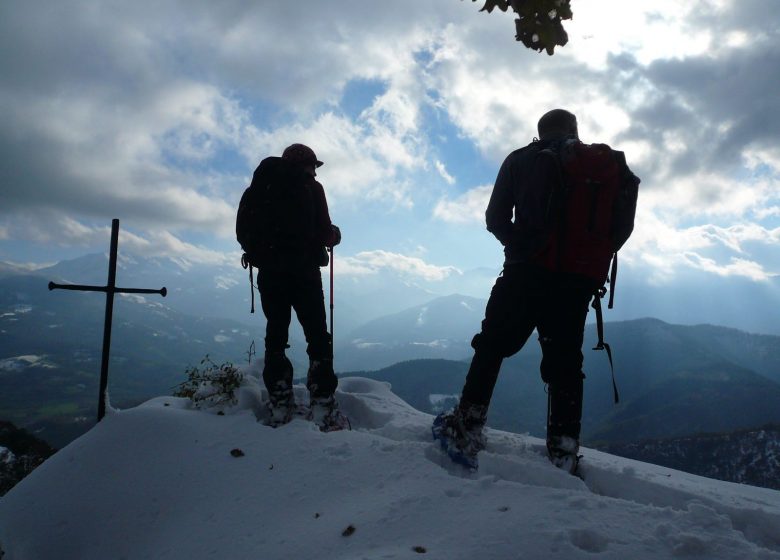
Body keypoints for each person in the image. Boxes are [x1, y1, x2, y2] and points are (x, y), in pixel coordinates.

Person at [433, 109, 639, 473]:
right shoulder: (603, 166)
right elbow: (620, 230)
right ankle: (563, 450)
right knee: (566, 363)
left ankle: (467, 424)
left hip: (525, 273)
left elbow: (495, 218)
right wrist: (587, 260)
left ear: (540, 132)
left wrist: (520, 247)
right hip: (576, 283)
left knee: (492, 345)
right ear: (575, 130)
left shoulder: (520, 160)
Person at [247, 143, 345, 430]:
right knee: (318, 338)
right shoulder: (313, 189)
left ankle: (280, 402)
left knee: (276, 336)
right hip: (304, 276)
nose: (315, 172)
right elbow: (325, 233)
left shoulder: (261, 188)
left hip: (270, 275)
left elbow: (245, 231)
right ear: (308, 166)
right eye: (314, 166)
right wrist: (335, 235)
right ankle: (322, 404)